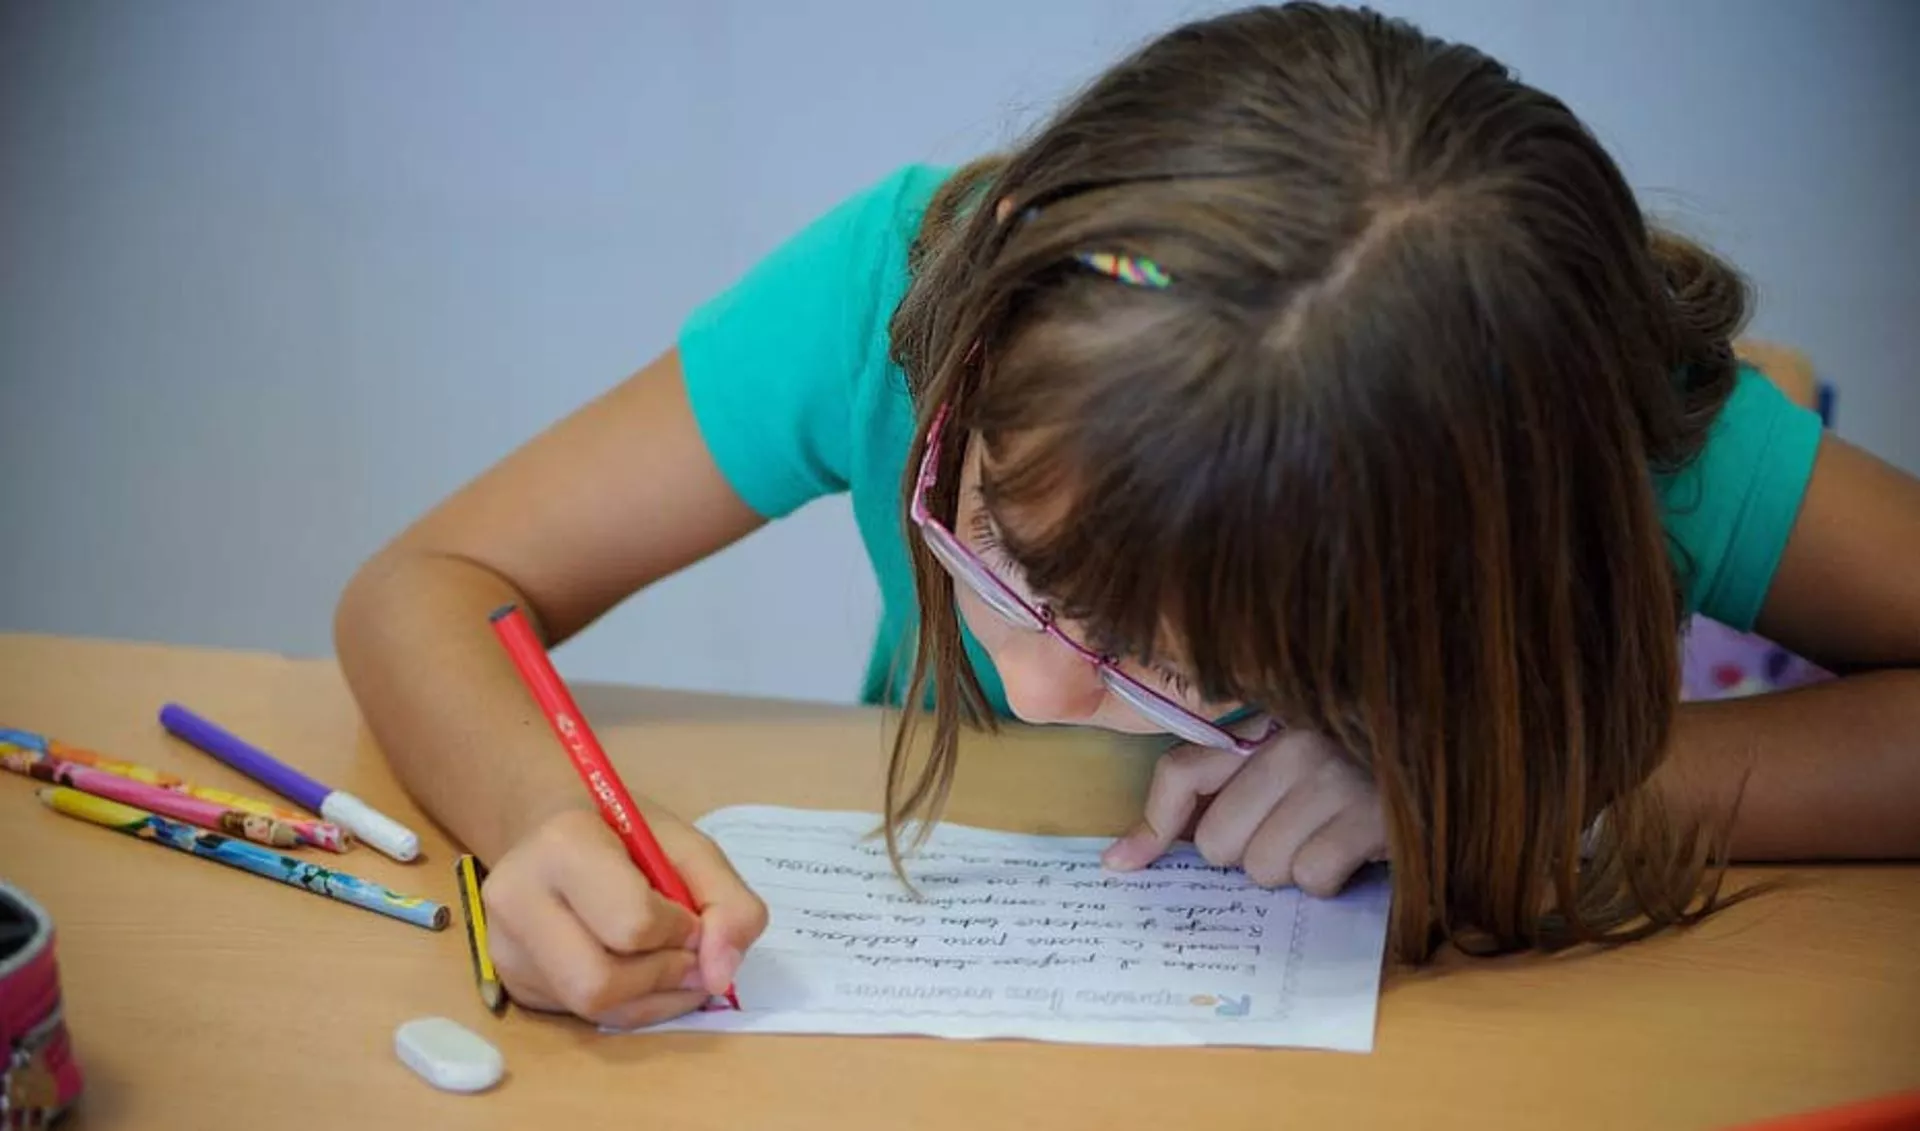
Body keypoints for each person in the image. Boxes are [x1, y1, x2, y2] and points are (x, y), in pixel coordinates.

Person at [334, 3, 1920, 1030]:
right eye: (1001, 553)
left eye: (1197, 668)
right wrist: (544, 822)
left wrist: (1503, 787)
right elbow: (433, 579)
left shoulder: (1592, 438)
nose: (1035, 687)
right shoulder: (910, 296)